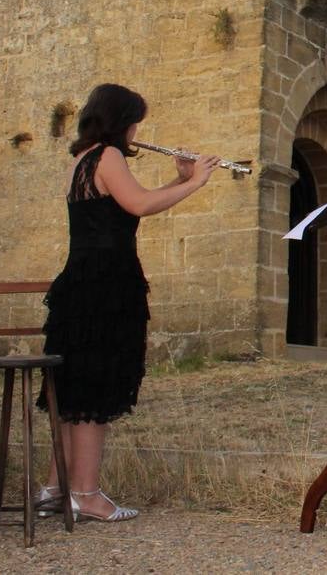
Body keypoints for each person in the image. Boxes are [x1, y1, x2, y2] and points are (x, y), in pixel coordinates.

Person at [36, 83, 219, 523]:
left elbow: (118, 205)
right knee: (97, 388)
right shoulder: (110, 156)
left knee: (74, 389)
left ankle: (53, 489)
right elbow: (137, 205)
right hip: (107, 285)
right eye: (136, 121)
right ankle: (87, 493)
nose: (138, 130)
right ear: (122, 120)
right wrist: (196, 182)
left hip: (80, 282)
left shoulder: (84, 159)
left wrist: (175, 178)